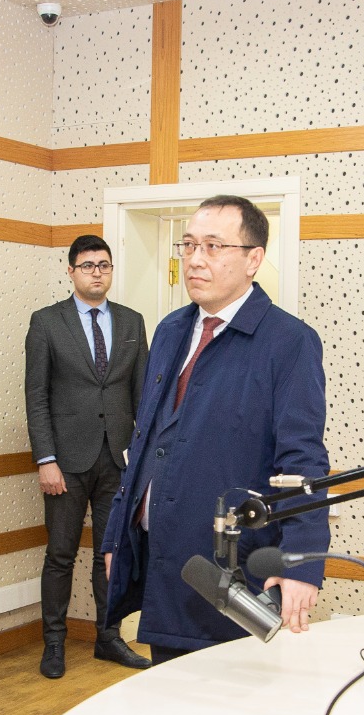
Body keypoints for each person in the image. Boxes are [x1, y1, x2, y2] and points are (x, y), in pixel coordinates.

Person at [101, 196, 329, 664]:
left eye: (212, 246)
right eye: (188, 245)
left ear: (253, 259)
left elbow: (302, 460)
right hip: (164, 560)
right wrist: (116, 536)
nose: (195, 259)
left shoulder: (289, 342)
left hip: (233, 566)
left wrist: (302, 561)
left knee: (231, 697)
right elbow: (146, 441)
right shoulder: (171, 330)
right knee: (167, 691)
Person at [24, 235, 151, 678]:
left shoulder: (132, 322)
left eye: (104, 265)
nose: (97, 272)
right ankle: (54, 644)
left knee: (109, 554)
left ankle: (108, 637)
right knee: (60, 555)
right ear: (71, 271)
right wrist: (45, 459)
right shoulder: (46, 322)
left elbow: (143, 396)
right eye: (88, 265)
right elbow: (36, 396)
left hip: (118, 460)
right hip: (65, 462)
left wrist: (142, 460)